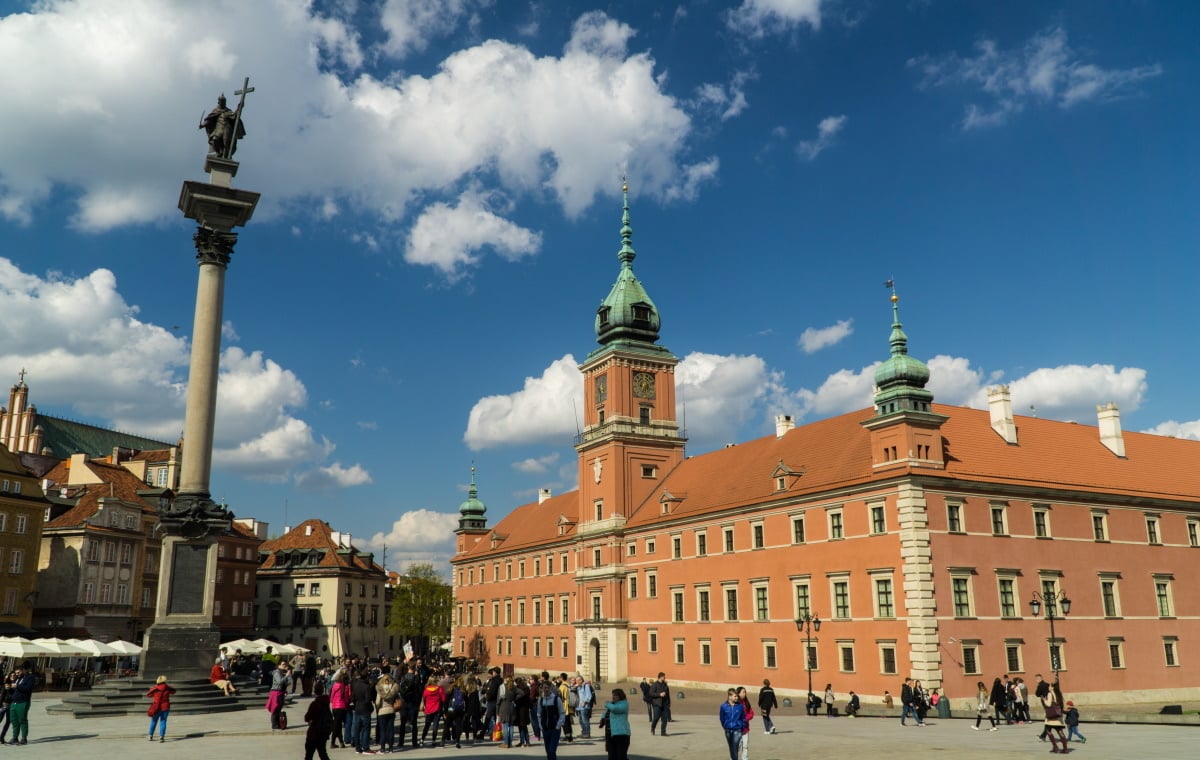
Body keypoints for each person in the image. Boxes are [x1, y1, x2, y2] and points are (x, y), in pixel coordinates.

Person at [535, 679, 566, 760]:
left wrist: (558, 725)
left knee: (552, 750)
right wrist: (541, 726)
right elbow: (539, 714)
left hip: (555, 729)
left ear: (550, 688)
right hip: (545, 729)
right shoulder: (540, 700)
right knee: (548, 752)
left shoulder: (556, 699)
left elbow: (562, 713)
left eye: (547, 688)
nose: (545, 690)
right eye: (544, 688)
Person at [304, 682, 334, 760]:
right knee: (323, 753)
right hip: (323, 732)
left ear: (315, 691)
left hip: (314, 731)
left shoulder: (315, 704)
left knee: (309, 755)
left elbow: (307, 717)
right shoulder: (326, 703)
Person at [350, 668, 376, 753]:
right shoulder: (366, 687)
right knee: (366, 729)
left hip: (357, 708)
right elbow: (368, 700)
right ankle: (365, 747)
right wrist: (370, 708)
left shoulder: (355, 685)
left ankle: (357, 747)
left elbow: (353, 698)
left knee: (357, 728)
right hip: (365, 709)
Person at [145, 675, 176, 743]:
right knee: (163, 721)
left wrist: (154, 695)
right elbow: (174, 691)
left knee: (153, 721)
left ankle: (150, 735)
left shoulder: (156, 688)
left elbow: (148, 694)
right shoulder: (167, 688)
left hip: (156, 707)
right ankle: (161, 737)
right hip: (165, 707)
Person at [719, 688, 747, 760]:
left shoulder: (740, 706)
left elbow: (743, 718)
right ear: (730, 696)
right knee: (731, 748)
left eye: (737, 696)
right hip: (728, 730)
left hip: (737, 730)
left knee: (734, 748)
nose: (737, 697)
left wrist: (741, 725)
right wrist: (725, 726)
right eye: (735, 696)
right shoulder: (723, 706)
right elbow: (722, 718)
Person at [376, 669, 400, 753]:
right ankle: (391, 748)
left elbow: (378, 702)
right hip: (391, 710)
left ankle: (382, 748)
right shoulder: (393, 689)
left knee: (383, 730)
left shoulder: (380, 689)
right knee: (391, 730)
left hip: (382, 711)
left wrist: (378, 708)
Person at [1041, 680, 1069, 753]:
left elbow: (1049, 704)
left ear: (1052, 687)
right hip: (1058, 716)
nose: (1049, 687)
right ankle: (1065, 748)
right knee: (1060, 731)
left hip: (1051, 716)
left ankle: (1055, 746)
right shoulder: (1059, 694)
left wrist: (1044, 700)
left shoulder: (1050, 694)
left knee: (1048, 730)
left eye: (1050, 686)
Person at [603, 688, 631, 760]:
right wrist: (602, 719)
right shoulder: (612, 705)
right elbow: (605, 714)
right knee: (612, 757)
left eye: (615, 695)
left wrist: (607, 703)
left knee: (621, 756)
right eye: (613, 695)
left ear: (620, 696)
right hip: (610, 734)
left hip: (621, 734)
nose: (613, 697)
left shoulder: (624, 704)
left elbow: (615, 709)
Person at [422, 675, 447, 747]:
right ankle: (433, 740)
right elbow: (443, 699)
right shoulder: (439, 689)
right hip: (437, 708)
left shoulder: (426, 690)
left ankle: (422, 739)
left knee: (427, 725)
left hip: (429, 709)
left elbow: (424, 698)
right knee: (435, 725)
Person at [329, 670, 351, 750]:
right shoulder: (346, 687)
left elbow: (331, 697)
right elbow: (347, 699)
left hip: (335, 707)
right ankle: (333, 742)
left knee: (337, 725)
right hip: (342, 707)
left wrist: (333, 702)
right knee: (337, 726)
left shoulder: (335, 685)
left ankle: (340, 742)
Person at [268, 661, 292, 730]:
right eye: (283, 664)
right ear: (279, 665)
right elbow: (279, 682)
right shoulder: (276, 672)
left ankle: (279, 724)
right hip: (276, 693)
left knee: (279, 709)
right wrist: (286, 676)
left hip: (281, 693)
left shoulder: (282, 673)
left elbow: (289, 682)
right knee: (275, 709)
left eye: (285, 664)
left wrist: (289, 675)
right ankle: (274, 725)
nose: (285, 665)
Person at [649, 672, 670, 736]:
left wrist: (669, 703)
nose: (665, 677)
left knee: (664, 719)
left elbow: (668, 695)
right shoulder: (655, 684)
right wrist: (659, 694)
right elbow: (651, 693)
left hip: (665, 704)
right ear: (660, 677)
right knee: (656, 717)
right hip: (657, 704)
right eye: (664, 676)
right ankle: (653, 727)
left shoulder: (665, 684)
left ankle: (663, 732)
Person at [737, 686, 755, 760]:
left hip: (745, 729)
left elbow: (751, 713)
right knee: (737, 746)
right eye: (743, 692)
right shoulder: (735, 703)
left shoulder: (746, 702)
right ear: (738, 693)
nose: (745, 693)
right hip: (737, 729)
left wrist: (746, 718)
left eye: (745, 692)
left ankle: (745, 758)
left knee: (745, 746)